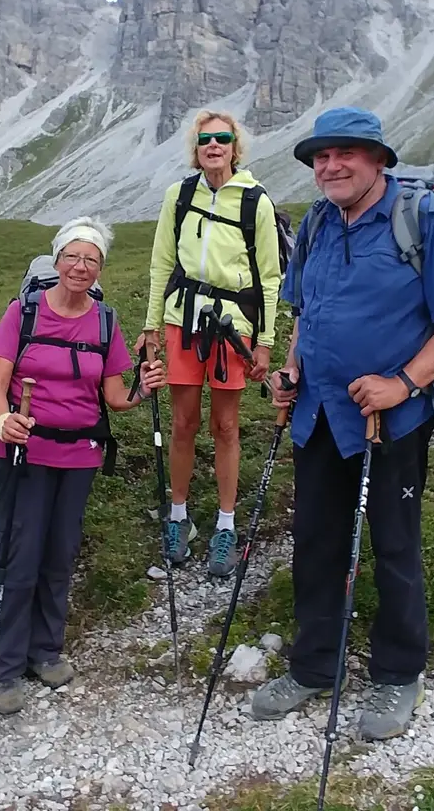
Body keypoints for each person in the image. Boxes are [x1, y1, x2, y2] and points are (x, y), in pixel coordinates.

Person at [250, 107, 434, 742]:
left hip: (394, 417)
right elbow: (306, 311)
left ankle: (398, 672)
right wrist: (292, 372)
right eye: (320, 158)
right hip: (320, 413)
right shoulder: (320, 222)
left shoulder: (423, 218)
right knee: (315, 542)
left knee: (395, 545)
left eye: (344, 154)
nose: (330, 166)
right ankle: (313, 667)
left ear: (379, 159)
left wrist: (402, 383)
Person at [0, 217, 167, 714]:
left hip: (80, 453)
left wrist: (141, 389)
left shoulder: (105, 322)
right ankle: (4, 665)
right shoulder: (23, 312)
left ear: (99, 268)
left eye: (91, 259)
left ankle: (45, 651)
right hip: (25, 450)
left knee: (60, 552)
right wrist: (2, 422)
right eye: (72, 256)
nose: (80, 267)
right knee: (20, 553)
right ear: (57, 260)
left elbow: (112, 395)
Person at [141, 109, 283, 579]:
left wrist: (264, 342)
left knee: (226, 426)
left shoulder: (255, 201)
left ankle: (225, 524)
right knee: (184, 422)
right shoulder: (178, 196)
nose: (214, 146)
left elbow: (269, 277)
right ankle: (178, 517)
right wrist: (151, 328)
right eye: (206, 140)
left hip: (233, 328)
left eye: (222, 139)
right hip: (183, 322)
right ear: (196, 148)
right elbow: (162, 263)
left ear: (234, 147)